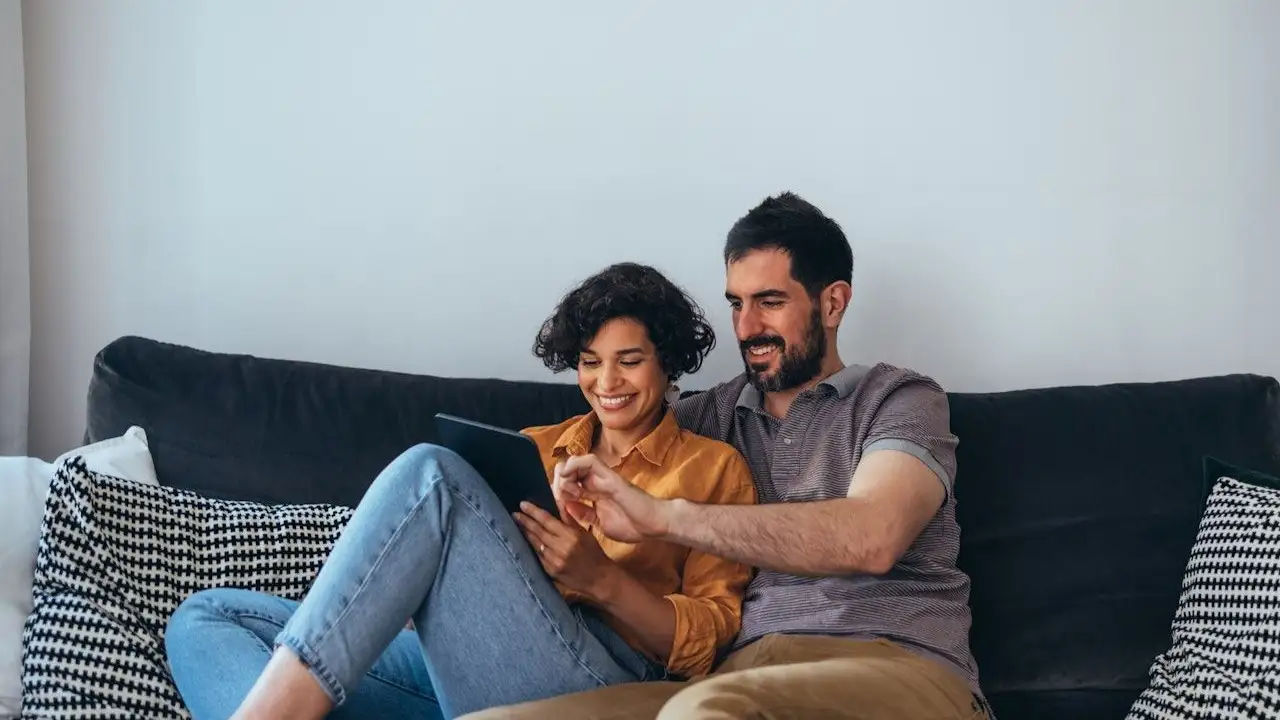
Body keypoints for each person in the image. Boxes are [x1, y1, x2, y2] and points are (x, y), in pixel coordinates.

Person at [466, 192, 989, 720]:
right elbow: (609, 423)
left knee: (705, 712)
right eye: (736, 303)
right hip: (738, 672)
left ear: (832, 303)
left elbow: (872, 537)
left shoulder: (899, 399)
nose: (746, 327)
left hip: (896, 665)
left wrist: (665, 517)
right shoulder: (704, 420)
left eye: (770, 301)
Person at [163, 262, 758, 720]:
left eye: (629, 361)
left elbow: (706, 646)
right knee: (203, 618)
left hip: (607, 679)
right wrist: (396, 596)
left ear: (668, 364)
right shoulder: (535, 445)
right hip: (469, 663)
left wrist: (602, 581)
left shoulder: (713, 469)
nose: (606, 383)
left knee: (433, 473)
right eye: (589, 361)